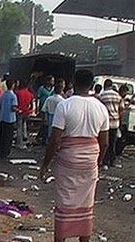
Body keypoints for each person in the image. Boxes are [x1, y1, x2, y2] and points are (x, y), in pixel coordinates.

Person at [40, 70, 109, 242]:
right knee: (87, 204)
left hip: (68, 161)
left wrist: (45, 165)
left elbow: (55, 140)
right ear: (92, 85)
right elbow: (105, 142)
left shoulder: (65, 105)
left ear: (73, 83)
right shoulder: (101, 107)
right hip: (90, 162)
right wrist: (98, 162)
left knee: (64, 203)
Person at [99, 79, 122, 167]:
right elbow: (121, 108)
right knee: (113, 143)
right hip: (115, 122)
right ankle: (112, 161)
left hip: (105, 123)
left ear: (105, 86)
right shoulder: (117, 96)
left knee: (105, 143)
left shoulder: (102, 96)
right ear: (111, 86)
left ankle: (104, 162)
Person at [0, 79, 18, 159]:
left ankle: (0, 152)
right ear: (12, 86)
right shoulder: (13, 96)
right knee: (8, 137)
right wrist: (18, 110)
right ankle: (6, 153)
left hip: (3, 117)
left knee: (2, 136)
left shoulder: (3, 95)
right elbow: (13, 107)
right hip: (10, 119)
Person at [15, 81, 35, 149]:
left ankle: (19, 143)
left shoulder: (18, 93)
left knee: (19, 127)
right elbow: (32, 105)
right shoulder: (30, 94)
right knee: (24, 124)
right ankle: (25, 137)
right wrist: (30, 111)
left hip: (20, 111)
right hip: (27, 112)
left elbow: (16, 103)